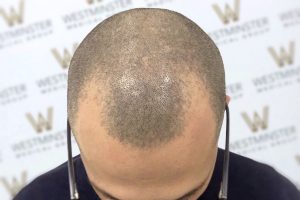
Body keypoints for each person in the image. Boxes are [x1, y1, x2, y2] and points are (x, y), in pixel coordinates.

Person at [14, 8, 299, 200]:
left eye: (186, 196)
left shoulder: (273, 193)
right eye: (112, 198)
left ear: (221, 114)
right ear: (72, 125)